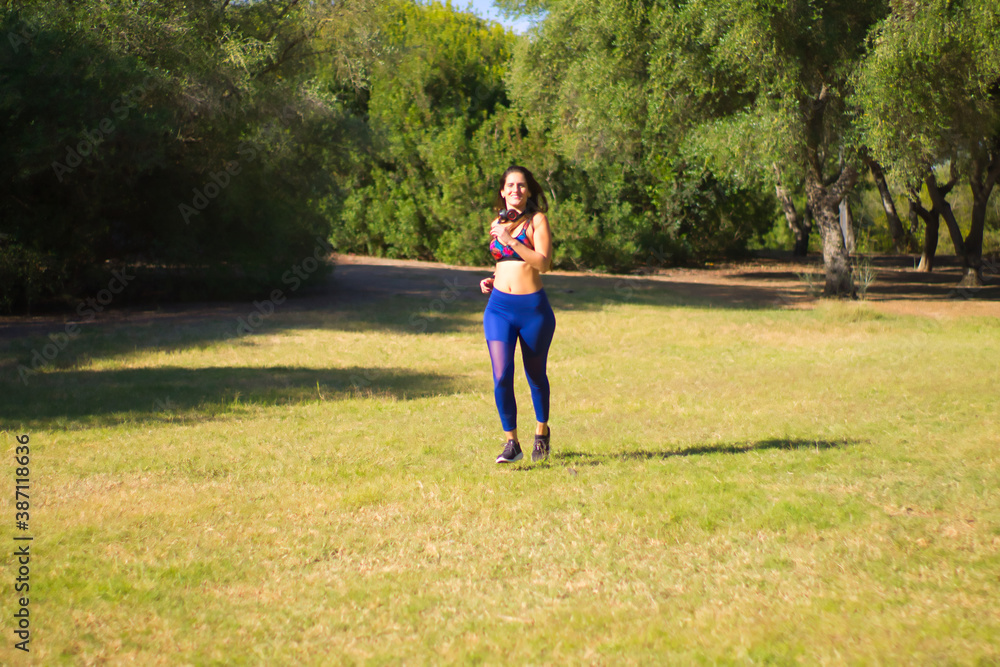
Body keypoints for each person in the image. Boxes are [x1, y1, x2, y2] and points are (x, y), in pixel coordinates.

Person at [480, 165, 556, 464]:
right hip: (498, 308)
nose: (515, 190)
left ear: (529, 190)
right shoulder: (496, 221)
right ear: (502, 191)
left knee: (535, 375)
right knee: (501, 376)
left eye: (521, 185)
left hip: (533, 310)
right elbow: (504, 263)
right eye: (510, 185)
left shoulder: (537, 220)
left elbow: (543, 263)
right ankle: (512, 442)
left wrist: (511, 240)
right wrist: (491, 279)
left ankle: (541, 432)